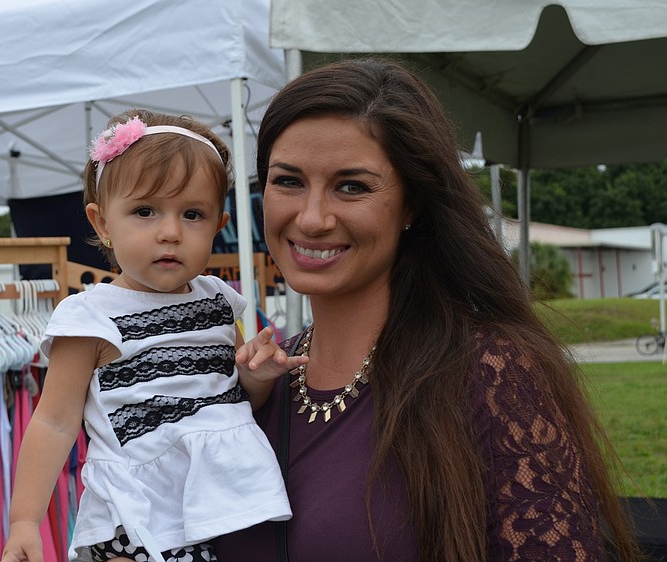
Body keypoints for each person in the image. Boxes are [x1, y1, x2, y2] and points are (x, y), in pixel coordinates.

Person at [213, 59, 642, 561]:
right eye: (288, 181)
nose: (311, 218)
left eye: (352, 186)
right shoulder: (254, 382)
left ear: (412, 204)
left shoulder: (490, 374)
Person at [1, 109, 305, 562]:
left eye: (193, 214)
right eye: (145, 211)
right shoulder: (91, 317)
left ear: (218, 226)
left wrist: (256, 377)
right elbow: (54, 422)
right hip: (137, 520)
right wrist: (24, 520)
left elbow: (231, 400)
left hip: (220, 508)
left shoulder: (220, 301)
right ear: (102, 223)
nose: (170, 232)